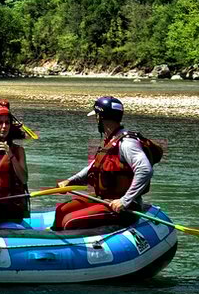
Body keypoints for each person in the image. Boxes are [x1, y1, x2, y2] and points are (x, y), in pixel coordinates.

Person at [50, 96, 153, 231]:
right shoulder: (110, 140)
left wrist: (125, 201)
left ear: (101, 117)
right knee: (62, 211)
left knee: (70, 221)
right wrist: (70, 181)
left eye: (96, 117)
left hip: (125, 206)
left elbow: (145, 170)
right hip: (103, 199)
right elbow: (93, 168)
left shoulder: (127, 143)